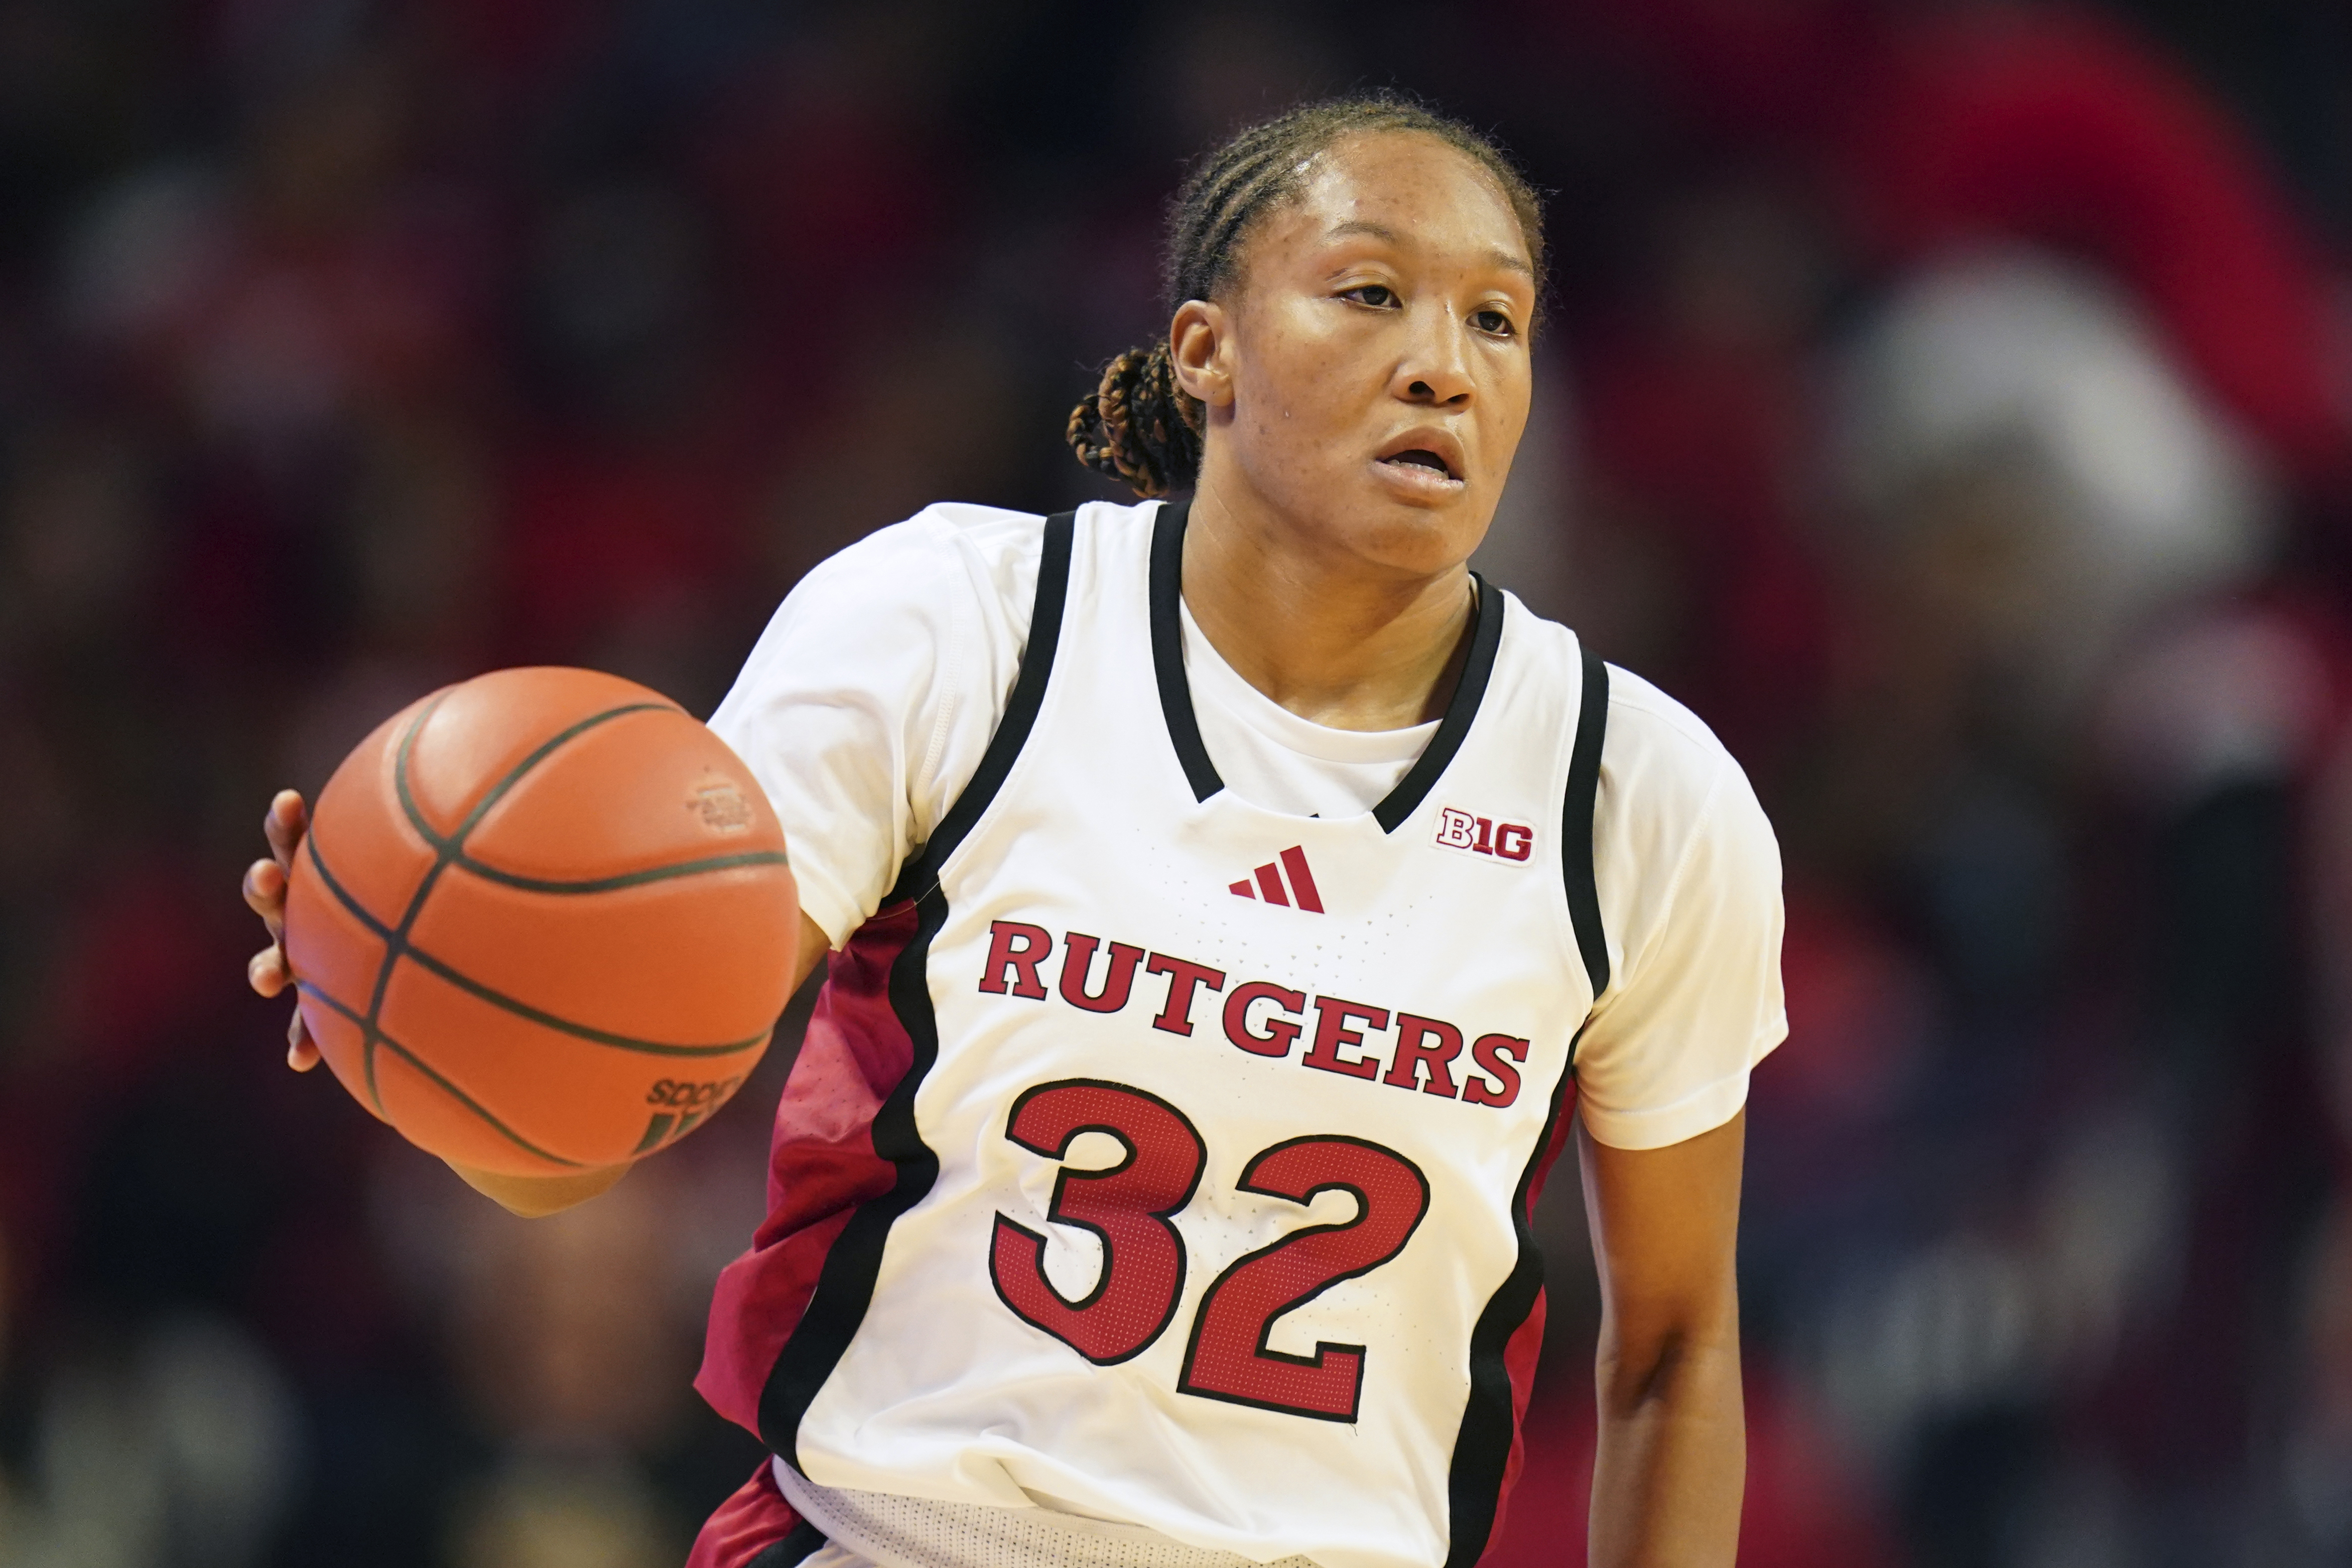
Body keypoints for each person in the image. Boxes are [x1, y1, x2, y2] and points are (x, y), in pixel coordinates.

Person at [244, 95, 1784, 1568]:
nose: (1443, 365)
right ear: (1207, 352)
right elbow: (602, 1136)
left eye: (1495, 319)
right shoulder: (951, 627)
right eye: (1371, 294)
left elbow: (1673, 1345)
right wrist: (432, 1016)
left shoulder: (1639, 793)